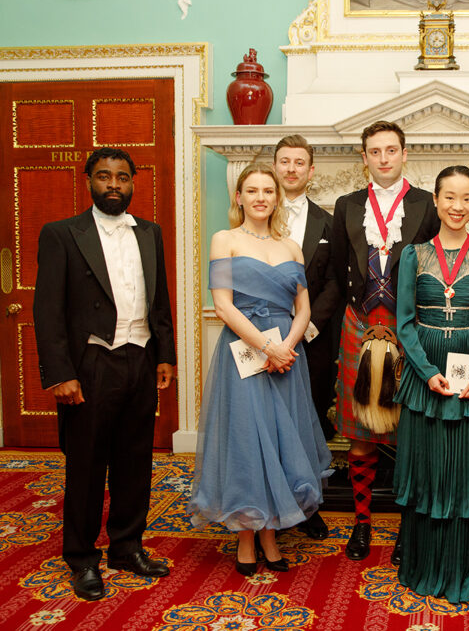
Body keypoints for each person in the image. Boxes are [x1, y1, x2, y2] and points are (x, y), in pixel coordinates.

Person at [33, 147, 176, 601]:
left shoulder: (150, 233)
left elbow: (160, 303)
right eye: (104, 177)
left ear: (134, 182)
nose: (114, 185)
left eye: (122, 177)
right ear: (88, 181)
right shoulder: (62, 234)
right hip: (91, 363)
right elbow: (47, 311)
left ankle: (127, 546)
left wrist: (164, 356)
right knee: (87, 464)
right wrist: (61, 373)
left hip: (139, 357)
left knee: (136, 461)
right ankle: (81, 558)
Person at [187, 163, 333, 575]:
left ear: (277, 197)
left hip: (287, 357)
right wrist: (267, 345)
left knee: (283, 441)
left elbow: (303, 308)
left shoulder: (291, 247)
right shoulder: (224, 239)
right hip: (245, 353)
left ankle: (272, 532)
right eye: (252, 190)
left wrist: (286, 347)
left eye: (268, 191)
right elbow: (223, 304)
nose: (261, 198)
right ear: (239, 197)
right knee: (248, 440)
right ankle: (248, 535)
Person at [393, 166, 469, 602]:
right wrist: (425, 372)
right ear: (436, 201)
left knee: (467, 473)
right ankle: (423, 566)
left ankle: (464, 568)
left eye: (467, 198)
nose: (458, 207)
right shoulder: (413, 255)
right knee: (428, 470)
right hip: (427, 376)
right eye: (450, 198)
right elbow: (405, 323)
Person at [331, 121, 441, 562]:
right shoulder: (346, 205)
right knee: (360, 436)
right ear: (364, 158)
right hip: (359, 325)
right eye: (374, 151)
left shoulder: (427, 205)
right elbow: (340, 270)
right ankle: (361, 526)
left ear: (404, 153)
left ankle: (404, 531)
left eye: (390, 150)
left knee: (406, 435)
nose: (383, 158)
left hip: (407, 330)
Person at [273, 135, 342, 540]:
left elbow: (335, 282)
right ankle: (272, 503)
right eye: (285, 161)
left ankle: (308, 505)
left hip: (312, 341)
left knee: (309, 422)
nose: (292, 169)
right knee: (269, 423)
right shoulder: (253, 215)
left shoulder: (328, 222)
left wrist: (308, 327)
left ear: (311, 171)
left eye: (300, 162)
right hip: (261, 339)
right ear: (275, 165)